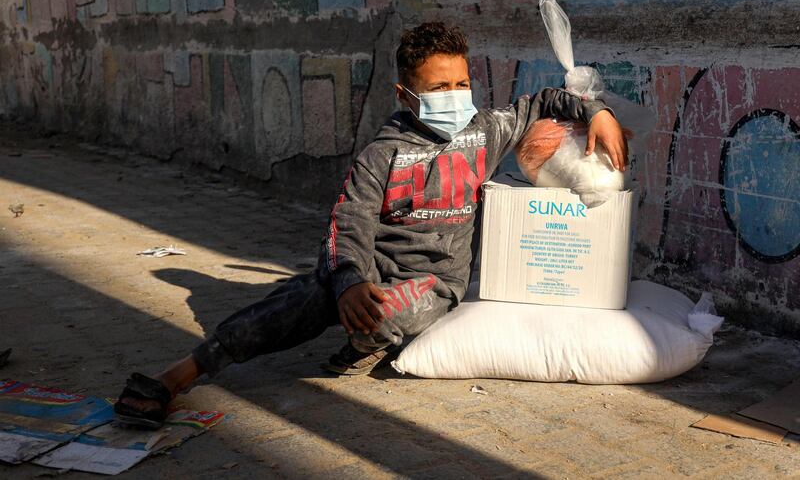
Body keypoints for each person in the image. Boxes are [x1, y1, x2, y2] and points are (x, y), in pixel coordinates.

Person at [115, 22, 628, 428]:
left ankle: (361, 349)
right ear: (406, 94)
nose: (455, 95)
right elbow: (348, 221)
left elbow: (539, 103)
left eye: (462, 83)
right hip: (362, 271)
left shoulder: (486, 131)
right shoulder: (382, 153)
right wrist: (350, 281)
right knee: (291, 306)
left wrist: (597, 111)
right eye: (439, 87)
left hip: (431, 283)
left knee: (386, 319)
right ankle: (183, 372)